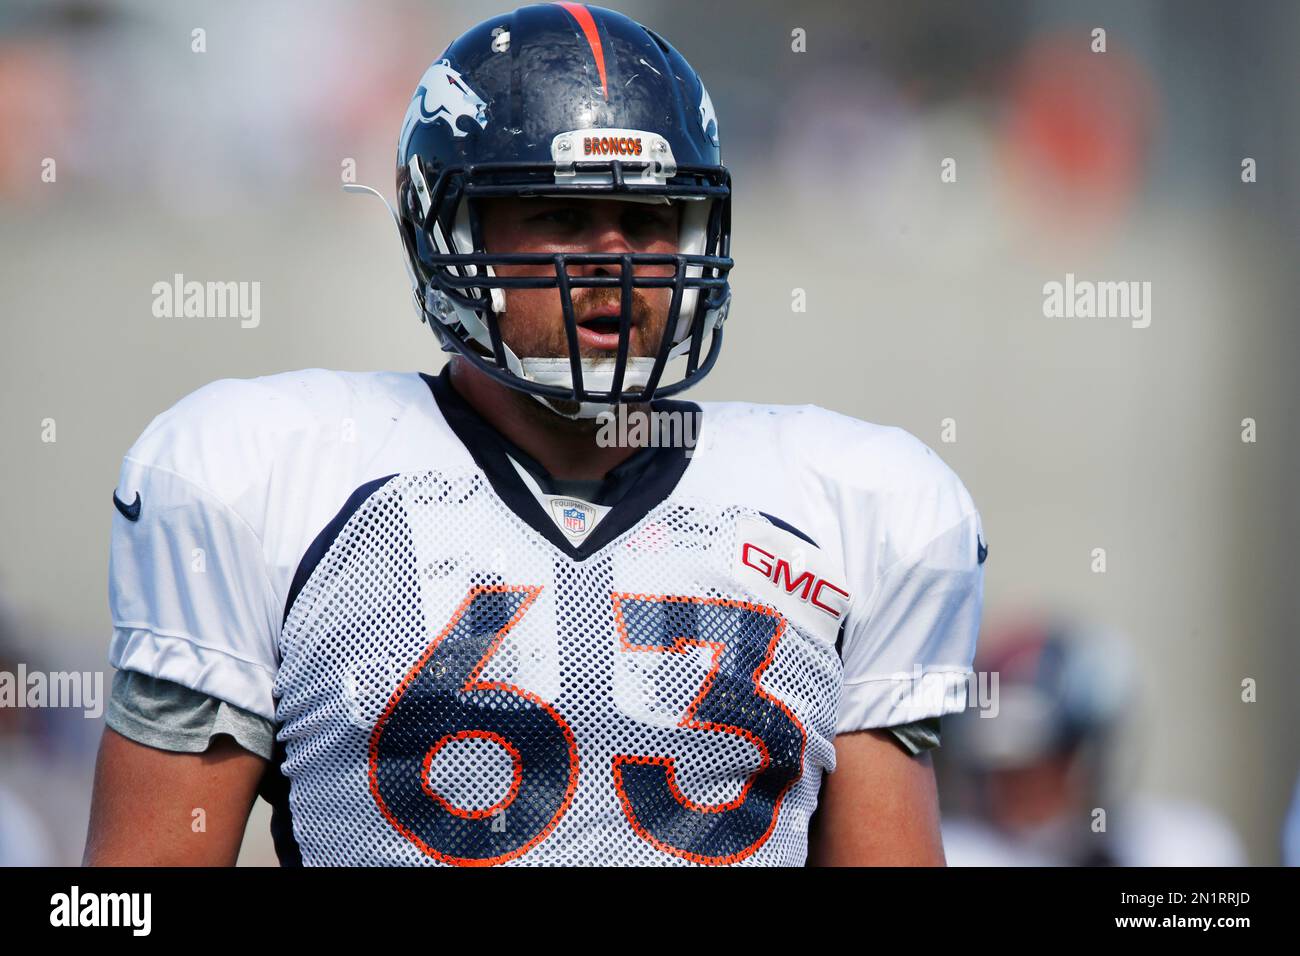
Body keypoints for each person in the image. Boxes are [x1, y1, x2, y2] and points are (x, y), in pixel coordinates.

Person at [84, 3, 986, 867]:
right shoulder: (264, 475)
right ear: (445, 229)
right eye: (557, 215)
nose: (613, 256)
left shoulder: (858, 508)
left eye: (648, 221)